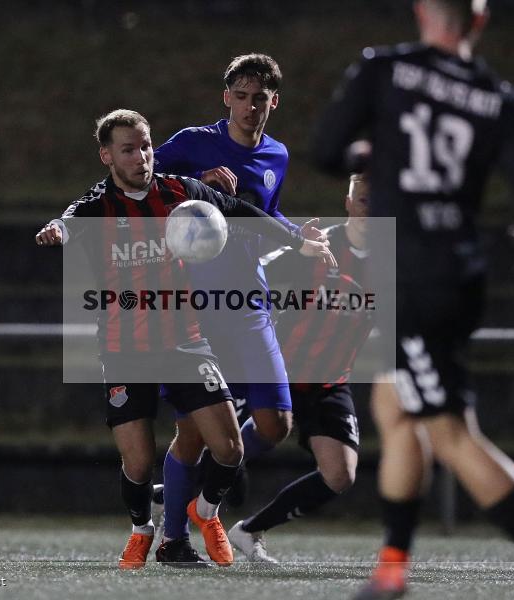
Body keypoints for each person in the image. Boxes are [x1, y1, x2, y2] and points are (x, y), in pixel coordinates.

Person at [313, 1, 514, 599]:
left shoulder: (384, 70)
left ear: (421, 11)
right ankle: (392, 566)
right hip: (458, 276)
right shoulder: (499, 98)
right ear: (479, 21)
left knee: (449, 433)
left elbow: (326, 150)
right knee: (395, 411)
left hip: (413, 279)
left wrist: (371, 156)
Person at [35, 109, 334, 569]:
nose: (141, 157)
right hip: (124, 350)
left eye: (146, 146)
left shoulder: (179, 192)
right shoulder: (99, 205)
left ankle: (207, 513)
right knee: (138, 464)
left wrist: (297, 240)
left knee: (230, 448)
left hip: (184, 343)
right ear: (107, 156)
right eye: (128, 150)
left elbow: (241, 210)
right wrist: (57, 229)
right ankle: (142, 530)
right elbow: (70, 219)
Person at [152, 53, 327, 562]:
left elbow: (264, 214)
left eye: (261, 98)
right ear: (226, 97)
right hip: (194, 307)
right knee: (191, 433)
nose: (251, 107)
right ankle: (174, 540)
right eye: (242, 96)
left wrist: (296, 234)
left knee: (275, 424)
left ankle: (205, 500)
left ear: (275, 102)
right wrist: (197, 180)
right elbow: (139, 184)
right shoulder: (192, 144)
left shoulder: (277, 155)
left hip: (250, 303)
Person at [227, 173, 373, 563]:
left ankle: (250, 530)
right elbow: (254, 276)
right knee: (230, 451)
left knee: (340, 475)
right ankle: (169, 500)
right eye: (363, 200)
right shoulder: (317, 245)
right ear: (348, 203)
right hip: (283, 370)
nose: (370, 210)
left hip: (330, 381)